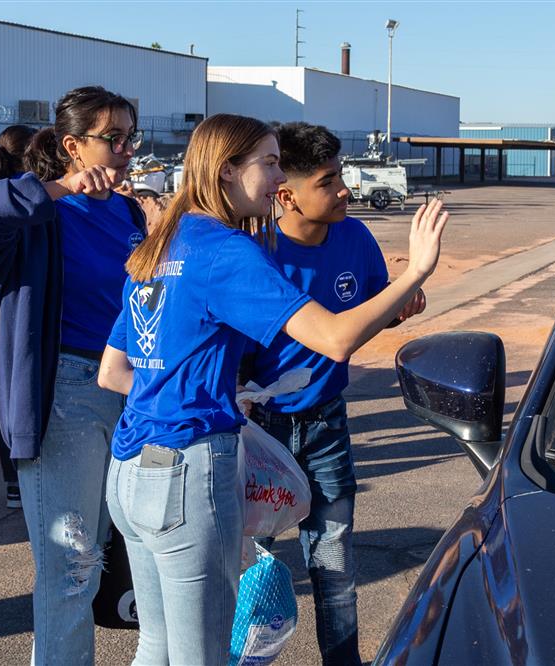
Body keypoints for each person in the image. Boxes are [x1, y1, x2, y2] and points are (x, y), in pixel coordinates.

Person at [96, 113, 448, 664]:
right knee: (201, 654)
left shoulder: (162, 243)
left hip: (128, 471)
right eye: (269, 162)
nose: (278, 177)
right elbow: (334, 338)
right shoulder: (226, 251)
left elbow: (113, 372)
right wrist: (417, 271)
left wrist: (199, 384)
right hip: (186, 472)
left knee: (157, 646)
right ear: (228, 169)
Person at [0, 86, 146, 665]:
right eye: (115, 139)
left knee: (141, 558)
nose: (128, 149)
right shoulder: (38, 213)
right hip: (66, 397)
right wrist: (57, 188)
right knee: (72, 569)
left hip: (132, 393)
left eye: (132, 137)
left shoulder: (128, 210)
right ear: (72, 145)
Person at [241, 121, 424, 665]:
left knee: (335, 567)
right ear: (286, 193)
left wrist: (397, 308)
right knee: (250, 568)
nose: (344, 189)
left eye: (340, 175)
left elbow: (367, 316)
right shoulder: (253, 251)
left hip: (326, 425)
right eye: (329, 180)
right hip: (258, 433)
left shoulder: (355, 238)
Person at [0, 124, 38, 509]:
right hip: (15, 311)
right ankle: (24, 481)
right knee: (24, 398)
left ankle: (13, 483)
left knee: (5, 400)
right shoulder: (25, 195)